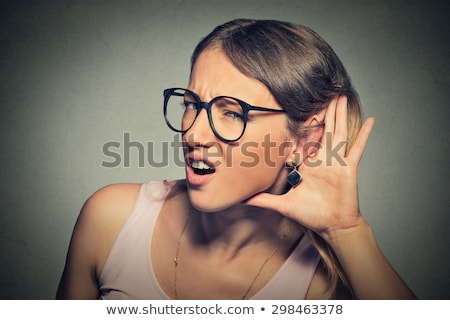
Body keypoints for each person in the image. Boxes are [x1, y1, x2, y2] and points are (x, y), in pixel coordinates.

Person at [56, 18, 416, 300]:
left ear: (305, 139)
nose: (193, 134)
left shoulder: (323, 280)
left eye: (232, 113)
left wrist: (346, 232)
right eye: (191, 105)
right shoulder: (111, 220)